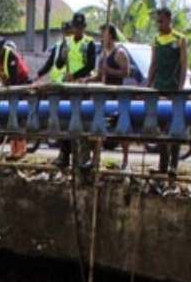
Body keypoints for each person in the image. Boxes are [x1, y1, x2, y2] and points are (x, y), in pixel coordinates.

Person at [147, 7, 188, 177]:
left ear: (169, 20)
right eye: (157, 21)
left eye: (162, 21)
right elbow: (154, 64)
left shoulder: (180, 39)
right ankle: (163, 166)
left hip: (173, 89)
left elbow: (184, 64)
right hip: (159, 88)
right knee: (161, 128)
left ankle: (173, 166)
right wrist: (148, 86)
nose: (159, 24)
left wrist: (180, 87)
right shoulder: (156, 39)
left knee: (174, 127)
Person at [53, 13, 98, 170]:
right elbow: (58, 64)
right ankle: (64, 154)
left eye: (80, 27)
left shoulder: (89, 43)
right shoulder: (66, 43)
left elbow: (91, 65)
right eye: (75, 27)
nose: (77, 30)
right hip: (68, 87)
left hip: (82, 86)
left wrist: (76, 75)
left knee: (82, 120)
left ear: (84, 28)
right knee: (65, 119)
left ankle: (84, 156)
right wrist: (62, 58)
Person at [0, 35, 31, 160]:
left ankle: (21, 148)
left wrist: (5, 89)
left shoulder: (11, 56)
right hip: (7, 88)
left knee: (18, 115)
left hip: (21, 87)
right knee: (9, 119)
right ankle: (13, 150)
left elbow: (14, 80)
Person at [98, 23, 132, 170]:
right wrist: (87, 79)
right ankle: (96, 157)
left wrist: (109, 70)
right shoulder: (103, 53)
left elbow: (126, 72)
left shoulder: (119, 53)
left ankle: (125, 159)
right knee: (99, 125)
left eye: (103, 34)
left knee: (121, 126)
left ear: (110, 35)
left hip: (117, 94)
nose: (101, 37)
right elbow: (100, 75)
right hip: (104, 95)